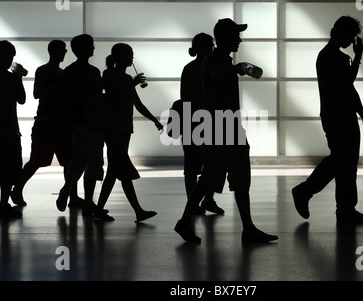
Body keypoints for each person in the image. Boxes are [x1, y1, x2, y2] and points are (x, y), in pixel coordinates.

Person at [174, 18, 278, 243]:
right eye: (235, 35)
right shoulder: (213, 60)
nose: (239, 39)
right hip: (220, 127)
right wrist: (236, 69)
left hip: (226, 125)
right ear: (223, 38)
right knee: (220, 176)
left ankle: (244, 227)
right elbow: (215, 78)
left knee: (226, 177)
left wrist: (235, 68)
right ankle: (243, 228)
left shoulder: (220, 60)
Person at [291, 16, 363, 224]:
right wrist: (359, 57)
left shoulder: (330, 56)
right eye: (351, 35)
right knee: (342, 160)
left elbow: (348, 89)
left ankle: (343, 208)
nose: (352, 40)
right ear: (342, 33)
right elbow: (348, 84)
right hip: (339, 116)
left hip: (337, 114)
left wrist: (362, 115)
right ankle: (307, 191)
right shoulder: (332, 57)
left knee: (345, 162)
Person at [93, 43, 162, 222]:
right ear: (119, 57)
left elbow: (137, 104)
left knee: (114, 171)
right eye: (129, 55)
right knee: (120, 170)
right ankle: (137, 211)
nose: (132, 58)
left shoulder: (126, 77)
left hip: (123, 129)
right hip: (113, 129)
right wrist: (132, 84)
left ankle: (100, 209)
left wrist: (154, 119)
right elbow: (113, 95)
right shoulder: (109, 75)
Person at [11, 40, 83, 207]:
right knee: (40, 159)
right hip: (48, 122)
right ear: (54, 52)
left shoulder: (57, 72)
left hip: (56, 122)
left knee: (66, 160)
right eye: (63, 50)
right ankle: (18, 189)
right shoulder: (46, 71)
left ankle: (72, 195)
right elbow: (37, 94)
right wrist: (60, 86)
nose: (65, 53)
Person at [56, 34, 104, 217]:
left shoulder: (70, 71)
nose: (93, 48)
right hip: (91, 122)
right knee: (93, 162)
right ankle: (88, 201)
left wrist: (71, 119)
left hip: (81, 122)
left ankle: (67, 190)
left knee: (80, 160)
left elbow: (64, 99)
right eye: (91, 46)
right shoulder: (93, 72)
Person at [180, 32, 224, 215]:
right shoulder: (213, 68)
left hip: (191, 119)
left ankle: (193, 203)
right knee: (215, 163)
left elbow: (184, 97)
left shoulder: (189, 68)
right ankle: (208, 199)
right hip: (211, 119)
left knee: (191, 166)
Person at [0, 40, 26, 218]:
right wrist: (18, 77)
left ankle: (4, 204)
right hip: (8, 128)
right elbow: (22, 99)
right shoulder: (10, 78)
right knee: (9, 166)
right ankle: (3, 204)